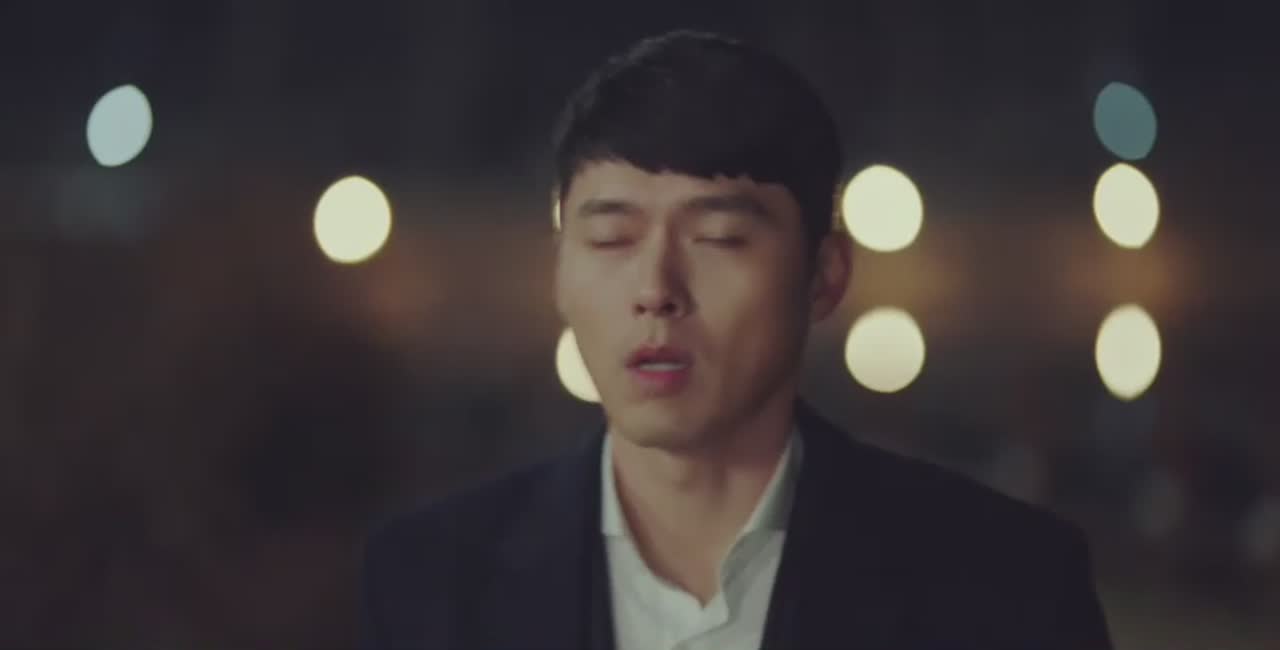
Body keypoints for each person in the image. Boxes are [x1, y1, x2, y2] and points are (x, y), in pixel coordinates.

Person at [358, 29, 1113, 650]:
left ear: (824, 275)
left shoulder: (1006, 587)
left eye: (719, 238)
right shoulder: (430, 583)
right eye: (612, 239)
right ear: (558, 272)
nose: (656, 289)